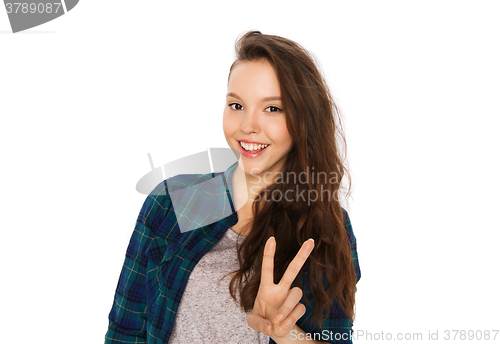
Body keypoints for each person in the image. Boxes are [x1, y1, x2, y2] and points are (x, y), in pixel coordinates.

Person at [104, 30, 361, 344]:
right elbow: (124, 331)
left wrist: (286, 333)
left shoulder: (324, 225)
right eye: (236, 105)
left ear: (303, 120)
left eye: (272, 109)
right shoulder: (176, 201)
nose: (247, 126)